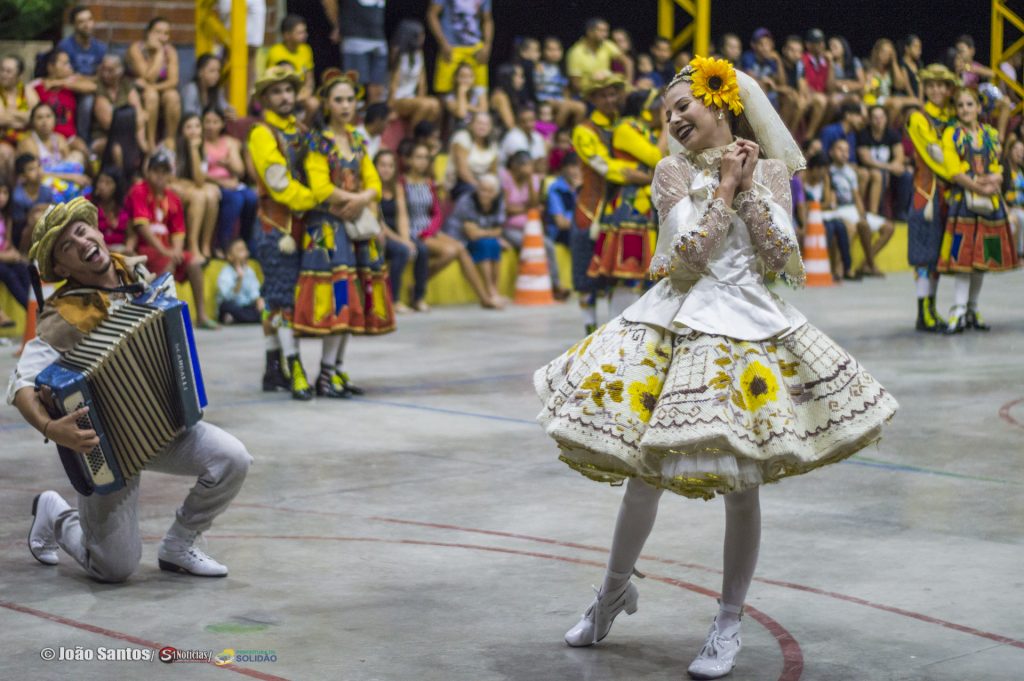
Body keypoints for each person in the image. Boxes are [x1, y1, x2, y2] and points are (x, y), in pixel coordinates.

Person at [534, 56, 898, 679]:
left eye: (683, 105)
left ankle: (728, 621)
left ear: (722, 102)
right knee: (641, 473)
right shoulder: (670, 172)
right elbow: (683, 260)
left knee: (741, 483)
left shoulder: (775, 171)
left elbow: (782, 256)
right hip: (673, 325)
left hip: (749, 328)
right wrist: (724, 188)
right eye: (666, 113)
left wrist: (749, 184)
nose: (673, 119)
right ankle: (612, 594)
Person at [10, 197, 251, 581]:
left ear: (97, 230)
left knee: (233, 459)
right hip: (108, 447)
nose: (81, 241)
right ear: (61, 268)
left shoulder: (140, 275)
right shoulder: (62, 317)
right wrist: (52, 429)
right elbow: (21, 384)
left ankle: (179, 544)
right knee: (114, 569)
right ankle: (55, 514)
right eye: (67, 246)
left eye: (81, 230)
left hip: (164, 424)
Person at [296, 70, 394, 398]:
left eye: (350, 99)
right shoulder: (317, 142)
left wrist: (361, 199)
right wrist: (358, 199)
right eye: (338, 99)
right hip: (327, 231)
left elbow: (375, 182)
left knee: (351, 298)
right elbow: (320, 187)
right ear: (326, 103)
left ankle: (336, 369)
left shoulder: (357, 139)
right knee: (338, 299)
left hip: (350, 226)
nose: (345, 105)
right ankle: (325, 372)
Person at [248, 66, 320, 400]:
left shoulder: (302, 130)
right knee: (283, 301)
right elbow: (278, 184)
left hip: (298, 226)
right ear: (263, 99)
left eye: (289, 90)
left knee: (277, 300)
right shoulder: (262, 133)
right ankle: (295, 367)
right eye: (276, 91)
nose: (285, 96)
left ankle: (271, 367)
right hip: (276, 227)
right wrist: (317, 198)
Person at [571, 71, 652, 334]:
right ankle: (588, 330)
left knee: (613, 276)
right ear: (593, 98)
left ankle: (611, 331)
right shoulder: (584, 131)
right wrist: (640, 175)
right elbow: (601, 165)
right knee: (588, 277)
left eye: (614, 93)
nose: (610, 99)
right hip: (592, 209)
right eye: (603, 94)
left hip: (618, 207)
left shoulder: (624, 124)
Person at [936, 88, 1019, 332]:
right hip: (964, 202)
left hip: (988, 202)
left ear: (978, 108)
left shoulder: (990, 134)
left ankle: (972, 307)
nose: (965, 109)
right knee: (964, 258)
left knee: (981, 258)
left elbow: (997, 165)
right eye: (960, 105)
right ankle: (958, 309)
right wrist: (979, 186)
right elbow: (954, 170)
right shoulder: (951, 134)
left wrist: (994, 179)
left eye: (969, 104)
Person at [587, 88, 664, 315]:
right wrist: (666, 126)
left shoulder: (647, 130)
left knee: (644, 271)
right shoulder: (625, 128)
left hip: (645, 206)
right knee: (626, 270)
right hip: (628, 209)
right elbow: (655, 158)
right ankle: (618, 326)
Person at [122, 151, 217, 329]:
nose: (160, 175)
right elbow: (141, 227)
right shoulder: (139, 190)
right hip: (145, 248)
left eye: (165, 171)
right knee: (168, 266)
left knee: (194, 263)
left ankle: (201, 315)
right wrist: (167, 252)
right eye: (156, 170)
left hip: (166, 249)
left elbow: (178, 231)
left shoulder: (173, 197)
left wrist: (176, 251)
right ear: (148, 172)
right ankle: (163, 318)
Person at [402, 140, 499, 310]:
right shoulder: (402, 183)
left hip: (430, 229)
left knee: (460, 248)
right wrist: (424, 233)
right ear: (409, 160)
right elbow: (402, 213)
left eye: (425, 157)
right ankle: (418, 285)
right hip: (412, 230)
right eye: (418, 157)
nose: (422, 161)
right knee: (450, 251)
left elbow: (437, 212)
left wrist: (431, 230)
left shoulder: (429, 182)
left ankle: (484, 297)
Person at [905, 64, 958, 332]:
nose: (937, 90)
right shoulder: (919, 118)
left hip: (946, 196)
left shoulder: (952, 117)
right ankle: (923, 312)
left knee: (936, 258)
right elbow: (935, 157)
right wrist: (962, 175)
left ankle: (931, 309)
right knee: (924, 256)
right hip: (925, 195)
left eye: (942, 85)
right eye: (932, 85)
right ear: (925, 88)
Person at [501, 150, 566, 300]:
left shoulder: (534, 180)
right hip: (510, 228)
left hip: (532, 229)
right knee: (526, 245)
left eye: (530, 166)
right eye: (524, 165)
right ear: (515, 167)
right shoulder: (506, 178)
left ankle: (555, 286)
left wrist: (530, 181)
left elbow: (534, 204)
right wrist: (526, 209)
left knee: (548, 245)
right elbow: (505, 209)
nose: (528, 169)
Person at [826, 138, 894, 276]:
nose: (844, 153)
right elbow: (829, 199)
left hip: (852, 209)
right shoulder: (828, 171)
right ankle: (863, 266)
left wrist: (862, 213)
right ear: (831, 152)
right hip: (838, 210)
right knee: (861, 226)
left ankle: (865, 264)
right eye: (840, 150)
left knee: (888, 227)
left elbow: (856, 196)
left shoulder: (850, 172)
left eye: (846, 150)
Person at [444, 173, 506, 306]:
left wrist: (485, 233)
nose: (485, 194)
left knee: (494, 244)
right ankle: (489, 290)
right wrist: (490, 233)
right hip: (459, 238)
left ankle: (495, 290)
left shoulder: (499, 202)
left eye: (489, 191)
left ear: (495, 193)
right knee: (485, 244)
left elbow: (499, 230)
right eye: (482, 190)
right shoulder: (466, 200)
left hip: (480, 238)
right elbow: (471, 234)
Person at [201, 106, 256, 254]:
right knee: (235, 199)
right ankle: (223, 243)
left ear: (222, 124)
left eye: (215, 122)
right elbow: (199, 173)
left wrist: (227, 164)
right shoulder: (199, 144)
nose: (211, 126)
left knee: (251, 197)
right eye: (207, 122)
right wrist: (222, 182)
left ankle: (245, 240)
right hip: (211, 183)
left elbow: (240, 170)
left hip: (232, 182)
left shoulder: (230, 142)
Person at [170, 113, 221, 259]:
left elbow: (199, 180)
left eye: (197, 126)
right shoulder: (172, 146)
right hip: (171, 188)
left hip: (188, 187)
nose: (194, 131)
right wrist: (189, 184)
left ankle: (205, 244)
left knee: (212, 194)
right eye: (188, 127)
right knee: (199, 195)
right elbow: (171, 179)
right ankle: (192, 245)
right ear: (181, 130)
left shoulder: (200, 148)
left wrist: (193, 150)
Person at [127, 17, 181, 150]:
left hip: (159, 89)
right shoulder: (136, 49)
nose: (162, 37)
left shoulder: (171, 51)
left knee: (173, 96)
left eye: (166, 33)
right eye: (158, 32)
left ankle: (170, 140)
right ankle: (151, 142)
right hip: (137, 92)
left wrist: (153, 87)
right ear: (148, 33)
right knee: (151, 95)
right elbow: (148, 77)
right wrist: (159, 53)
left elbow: (173, 81)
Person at [322, 0, 388, 103]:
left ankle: (373, 116)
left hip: (378, 38)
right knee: (355, 86)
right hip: (355, 37)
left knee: (378, 87)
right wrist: (338, 25)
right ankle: (351, 116)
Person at [31, 49, 95, 156]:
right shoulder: (37, 86)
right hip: (46, 136)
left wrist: (60, 83)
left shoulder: (71, 82)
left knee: (82, 149)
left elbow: (92, 87)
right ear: (51, 67)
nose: (69, 66)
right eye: (65, 63)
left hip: (70, 137)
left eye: (69, 63)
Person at [57, 6, 106, 143]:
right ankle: (83, 139)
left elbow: (101, 75)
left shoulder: (100, 47)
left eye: (89, 20)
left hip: (93, 86)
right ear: (74, 25)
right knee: (87, 99)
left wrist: (83, 77)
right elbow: (65, 75)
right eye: (81, 21)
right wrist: (88, 79)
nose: (87, 24)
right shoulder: (65, 46)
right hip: (71, 88)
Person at [856, 105, 914, 218]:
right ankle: (878, 212)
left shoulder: (892, 133)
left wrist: (895, 166)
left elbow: (900, 156)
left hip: (888, 168)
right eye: (875, 117)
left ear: (886, 119)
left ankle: (901, 212)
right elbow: (866, 160)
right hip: (870, 169)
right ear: (870, 120)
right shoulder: (864, 134)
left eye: (881, 117)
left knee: (906, 175)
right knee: (880, 174)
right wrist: (889, 167)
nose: (879, 121)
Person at [375, 148, 414, 313]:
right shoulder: (372, 187)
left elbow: (403, 216)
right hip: (380, 234)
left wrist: (406, 239)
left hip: (396, 234)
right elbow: (380, 223)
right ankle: (393, 299)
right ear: (374, 166)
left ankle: (417, 297)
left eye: (390, 166)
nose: (386, 169)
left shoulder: (397, 187)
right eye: (382, 165)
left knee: (419, 249)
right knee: (401, 251)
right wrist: (402, 242)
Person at [427, 0, 493, 95]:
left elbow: (487, 19)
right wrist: (443, 43)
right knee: (444, 93)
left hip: (476, 48)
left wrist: (487, 45)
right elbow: (432, 14)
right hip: (451, 46)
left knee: (479, 93)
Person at [388, 19, 442, 128]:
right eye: (420, 35)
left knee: (435, 104)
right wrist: (390, 108)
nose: (423, 38)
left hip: (412, 98)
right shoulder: (398, 54)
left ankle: (423, 134)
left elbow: (422, 83)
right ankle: (413, 136)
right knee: (425, 104)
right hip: (398, 98)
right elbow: (393, 83)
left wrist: (421, 98)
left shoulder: (419, 54)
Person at [92, 54, 147, 157]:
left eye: (110, 70)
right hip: (103, 138)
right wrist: (136, 119)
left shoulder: (126, 84)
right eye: (103, 69)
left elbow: (139, 114)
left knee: (138, 142)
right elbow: (109, 124)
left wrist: (139, 118)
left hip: (129, 136)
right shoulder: (100, 87)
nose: (105, 74)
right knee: (118, 148)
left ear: (120, 70)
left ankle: (144, 148)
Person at [266, 15, 317, 118]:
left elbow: (309, 79)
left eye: (304, 31)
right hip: (283, 93)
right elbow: (273, 82)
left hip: (301, 94)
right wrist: (292, 96)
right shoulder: (275, 52)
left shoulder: (306, 50)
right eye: (299, 33)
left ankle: (304, 132)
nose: (305, 35)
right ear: (287, 35)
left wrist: (306, 92)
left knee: (313, 104)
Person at [447, 110, 499, 201]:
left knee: (499, 192)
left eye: (486, 124)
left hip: (484, 183)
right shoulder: (462, 138)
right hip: (461, 182)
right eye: (479, 123)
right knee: (474, 193)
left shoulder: (493, 144)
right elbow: (463, 172)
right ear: (471, 125)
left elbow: (493, 172)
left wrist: (490, 186)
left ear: (491, 127)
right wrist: (481, 187)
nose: (482, 127)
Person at [535, 37, 586, 129]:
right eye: (550, 49)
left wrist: (568, 99)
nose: (554, 53)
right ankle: (554, 134)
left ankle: (574, 135)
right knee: (565, 106)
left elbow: (564, 89)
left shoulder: (561, 69)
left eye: (557, 49)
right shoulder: (539, 67)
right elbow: (537, 87)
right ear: (543, 51)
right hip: (544, 99)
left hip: (559, 99)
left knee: (581, 107)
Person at [0, 55, 39, 176]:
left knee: (32, 152)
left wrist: (10, 112)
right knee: (6, 153)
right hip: (3, 138)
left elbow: (35, 115)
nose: (3, 74)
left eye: (9, 71)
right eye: (2, 70)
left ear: (19, 75)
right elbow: (2, 119)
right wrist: (23, 117)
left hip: (26, 137)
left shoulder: (27, 90)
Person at [0, 173, 30, 326]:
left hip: (4, 255)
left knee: (24, 270)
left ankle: (37, 306)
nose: (2, 197)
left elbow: (8, 242)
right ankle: (32, 311)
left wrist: (15, 255)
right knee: (8, 274)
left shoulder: (6, 216)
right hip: (1, 260)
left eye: (5, 192)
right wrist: (6, 256)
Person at [566, 18, 622, 97]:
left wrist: (628, 80)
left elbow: (627, 61)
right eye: (601, 31)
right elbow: (576, 84)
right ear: (589, 32)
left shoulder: (607, 45)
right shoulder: (576, 52)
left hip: (607, 90)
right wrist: (592, 82)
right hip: (588, 94)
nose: (605, 34)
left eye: (606, 31)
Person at [10, 154, 55, 246]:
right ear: (22, 176)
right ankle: (25, 254)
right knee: (36, 217)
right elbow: (18, 226)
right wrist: (34, 211)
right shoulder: (17, 197)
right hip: (22, 236)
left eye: (39, 166)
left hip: (44, 231)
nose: (38, 171)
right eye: (31, 169)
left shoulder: (46, 191)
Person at [216, 237, 263, 324]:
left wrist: (258, 300)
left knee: (262, 305)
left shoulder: (249, 271)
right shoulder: (226, 273)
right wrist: (239, 280)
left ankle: (237, 318)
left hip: (245, 307)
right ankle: (246, 318)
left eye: (244, 249)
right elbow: (227, 297)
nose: (244, 253)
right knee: (226, 307)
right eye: (239, 250)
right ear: (230, 256)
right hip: (232, 305)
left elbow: (254, 290)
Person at [88, 166, 130, 252]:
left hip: (121, 250)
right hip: (97, 250)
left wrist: (128, 249)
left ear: (117, 187)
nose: (102, 186)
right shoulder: (88, 204)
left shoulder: (124, 205)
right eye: (101, 181)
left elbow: (132, 235)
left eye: (108, 183)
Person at [181, 54, 233, 119]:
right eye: (212, 71)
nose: (216, 75)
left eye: (218, 71)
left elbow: (224, 107)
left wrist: (230, 112)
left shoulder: (217, 90)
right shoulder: (191, 90)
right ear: (200, 72)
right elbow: (189, 117)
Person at [545, 151, 581, 247]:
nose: (576, 171)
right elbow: (561, 223)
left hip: (577, 229)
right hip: (560, 234)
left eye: (579, 167)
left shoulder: (584, 187)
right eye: (573, 167)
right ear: (564, 168)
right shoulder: (556, 189)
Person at [500, 103, 547, 172]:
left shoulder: (537, 136)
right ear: (518, 122)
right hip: (510, 174)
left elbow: (541, 160)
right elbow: (522, 165)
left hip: (532, 173)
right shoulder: (513, 137)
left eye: (531, 120)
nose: (528, 124)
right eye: (524, 121)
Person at [444, 62, 488, 131]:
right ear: (456, 78)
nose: (466, 80)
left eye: (469, 76)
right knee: (461, 124)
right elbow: (461, 115)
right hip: (460, 128)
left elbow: (484, 111)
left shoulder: (479, 91)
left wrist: (465, 106)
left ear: (474, 78)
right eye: (462, 76)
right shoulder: (450, 97)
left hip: (477, 127)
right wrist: (461, 93)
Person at [490, 62, 533, 132]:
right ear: (508, 77)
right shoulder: (500, 96)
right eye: (519, 76)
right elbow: (510, 125)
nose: (522, 80)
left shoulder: (513, 95)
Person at [1002, 138, 1024, 256]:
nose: (1020, 152)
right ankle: (1020, 255)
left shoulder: (1022, 169)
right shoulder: (1004, 168)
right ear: (1009, 150)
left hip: (1021, 207)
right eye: (1016, 149)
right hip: (1009, 207)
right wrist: (1006, 207)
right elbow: (999, 192)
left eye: (1022, 150)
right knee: (1022, 218)